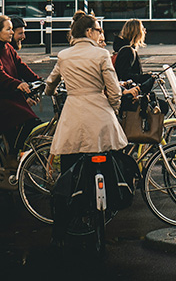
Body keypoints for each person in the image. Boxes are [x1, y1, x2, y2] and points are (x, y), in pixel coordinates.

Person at [45, 14, 128, 247]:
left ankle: (59, 234)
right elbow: (114, 90)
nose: (101, 34)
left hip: (73, 116)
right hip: (100, 117)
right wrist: (112, 108)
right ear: (90, 32)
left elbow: (50, 83)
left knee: (68, 175)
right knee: (107, 160)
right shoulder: (101, 54)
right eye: (99, 30)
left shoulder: (64, 55)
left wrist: (50, 92)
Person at [0, 15, 42, 164]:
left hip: (11, 96)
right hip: (3, 99)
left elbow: (21, 67)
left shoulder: (8, 48)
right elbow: (1, 75)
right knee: (27, 121)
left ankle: (15, 154)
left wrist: (39, 81)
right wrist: (18, 84)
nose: (11, 32)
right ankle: (12, 155)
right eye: (8, 29)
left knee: (31, 122)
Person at [113, 19, 152, 84]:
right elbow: (124, 75)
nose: (144, 32)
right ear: (137, 32)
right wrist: (145, 77)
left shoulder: (124, 48)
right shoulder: (128, 51)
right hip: (130, 90)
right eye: (142, 29)